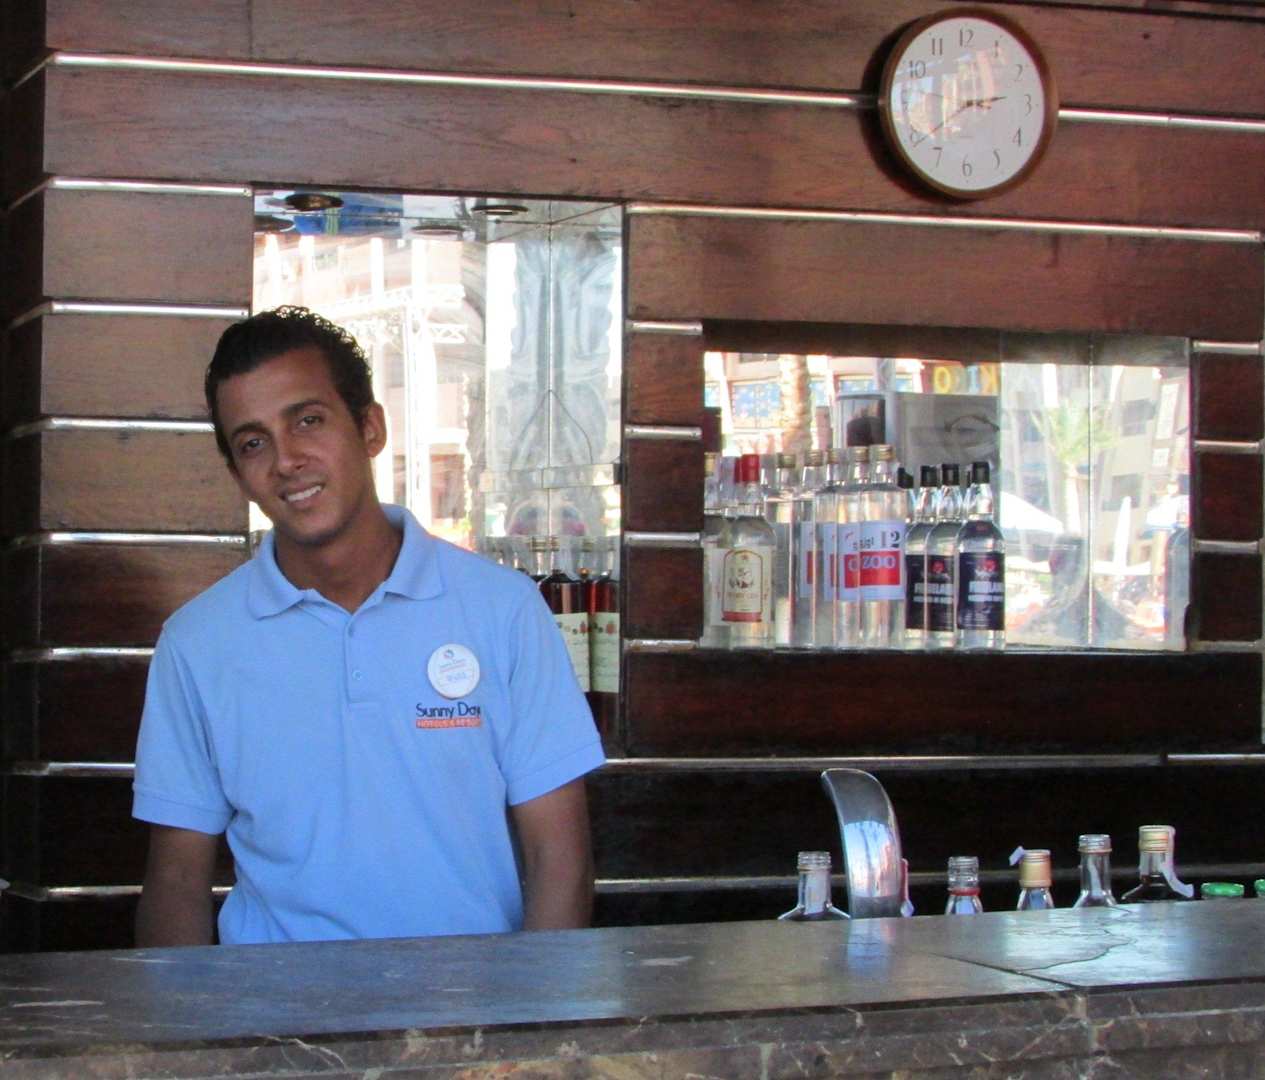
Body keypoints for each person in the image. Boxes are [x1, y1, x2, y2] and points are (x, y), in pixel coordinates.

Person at [132, 306, 605, 947]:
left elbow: (560, 859)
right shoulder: (197, 644)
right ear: (237, 474)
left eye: (308, 420)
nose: (286, 460)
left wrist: (531, 1009)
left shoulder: (504, 611)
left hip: (474, 1005)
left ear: (371, 427)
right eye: (253, 442)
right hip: (273, 1007)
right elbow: (176, 879)